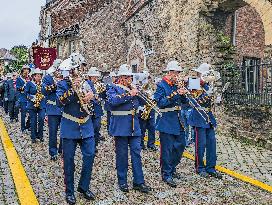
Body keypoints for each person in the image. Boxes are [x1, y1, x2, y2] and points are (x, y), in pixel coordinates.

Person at [56, 54, 96, 204]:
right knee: (69, 160)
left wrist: (92, 96)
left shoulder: (87, 82)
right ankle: (69, 191)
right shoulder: (63, 84)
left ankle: (83, 187)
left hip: (86, 125)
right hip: (70, 126)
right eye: (78, 68)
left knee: (90, 155)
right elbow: (60, 102)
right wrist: (73, 89)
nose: (81, 70)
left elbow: (95, 100)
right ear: (72, 70)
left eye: (82, 67)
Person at [107, 64, 151, 193]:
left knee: (136, 153)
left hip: (134, 126)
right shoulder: (113, 88)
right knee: (122, 155)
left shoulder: (133, 88)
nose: (129, 79)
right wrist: (130, 94)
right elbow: (112, 102)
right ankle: (122, 181)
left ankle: (139, 181)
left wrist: (143, 94)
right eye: (126, 77)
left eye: (130, 77)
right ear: (120, 77)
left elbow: (143, 103)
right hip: (120, 126)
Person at [154, 60, 187, 188]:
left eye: (179, 73)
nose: (178, 76)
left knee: (180, 145)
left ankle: (172, 167)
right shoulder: (161, 85)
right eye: (176, 73)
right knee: (167, 149)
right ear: (170, 72)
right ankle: (166, 173)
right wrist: (175, 94)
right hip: (166, 120)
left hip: (178, 120)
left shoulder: (176, 85)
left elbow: (184, 103)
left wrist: (183, 94)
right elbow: (160, 102)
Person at [188, 63, 222, 179]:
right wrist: (207, 95)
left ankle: (211, 168)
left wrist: (217, 97)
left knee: (212, 144)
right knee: (200, 144)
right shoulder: (194, 84)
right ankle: (200, 167)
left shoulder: (209, 85)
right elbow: (193, 102)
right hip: (199, 116)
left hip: (209, 117)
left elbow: (212, 103)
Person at [42, 59, 63, 161]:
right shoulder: (47, 78)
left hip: (64, 109)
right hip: (52, 110)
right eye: (57, 69)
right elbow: (44, 91)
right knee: (53, 132)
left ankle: (62, 149)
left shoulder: (65, 78)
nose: (59, 71)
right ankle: (53, 152)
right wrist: (56, 85)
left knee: (64, 131)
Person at [86, 67, 106, 151]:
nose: (95, 79)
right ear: (90, 77)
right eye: (94, 77)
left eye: (96, 77)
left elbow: (104, 96)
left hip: (97, 109)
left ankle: (95, 146)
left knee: (97, 127)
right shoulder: (86, 84)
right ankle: (89, 146)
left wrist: (102, 94)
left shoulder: (99, 85)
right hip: (88, 109)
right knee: (89, 129)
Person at [25, 68, 46, 143]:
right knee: (33, 121)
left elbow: (46, 93)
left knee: (41, 119)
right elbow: (26, 93)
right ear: (34, 76)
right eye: (37, 76)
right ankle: (33, 136)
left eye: (40, 76)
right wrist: (31, 97)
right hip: (32, 105)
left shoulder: (43, 84)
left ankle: (40, 135)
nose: (39, 77)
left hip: (41, 104)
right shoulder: (29, 84)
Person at [138, 72, 157, 151]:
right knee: (142, 128)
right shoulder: (138, 88)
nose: (147, 80)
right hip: (142, 110)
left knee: (152, 128)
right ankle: (141, 144)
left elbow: (155, 96)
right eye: (146, 78)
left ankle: (151, 144)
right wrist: (140, 107)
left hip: (151, 110)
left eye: (148, 78)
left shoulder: (152, 87)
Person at [16, 65, 31, 133]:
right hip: (23, 99)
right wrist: (25, 86)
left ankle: (28, 126)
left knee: (31, 113)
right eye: (25, 70)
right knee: (23, 114)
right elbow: (18, 88)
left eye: (27, 70)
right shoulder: (19, 79)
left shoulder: (30, 78)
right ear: (22, 71)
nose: (26, 71)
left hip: (30, 99)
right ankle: (23, 128)